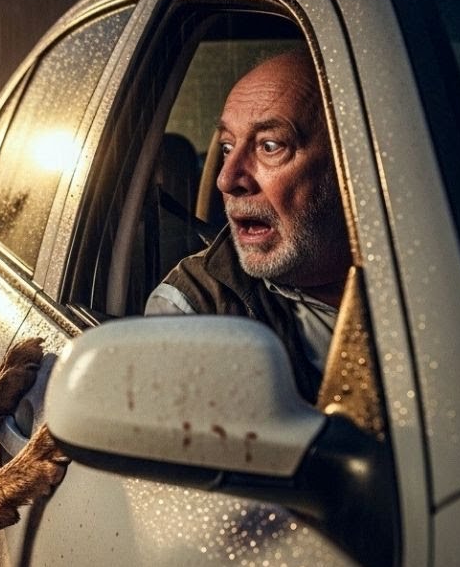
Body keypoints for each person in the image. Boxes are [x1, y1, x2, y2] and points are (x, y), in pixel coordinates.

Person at [145, 48, 351, 400]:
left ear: (350, 162)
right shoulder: (196, 309)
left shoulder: (443, 270)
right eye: (227, 147)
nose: (226, 180)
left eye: (269, 146)